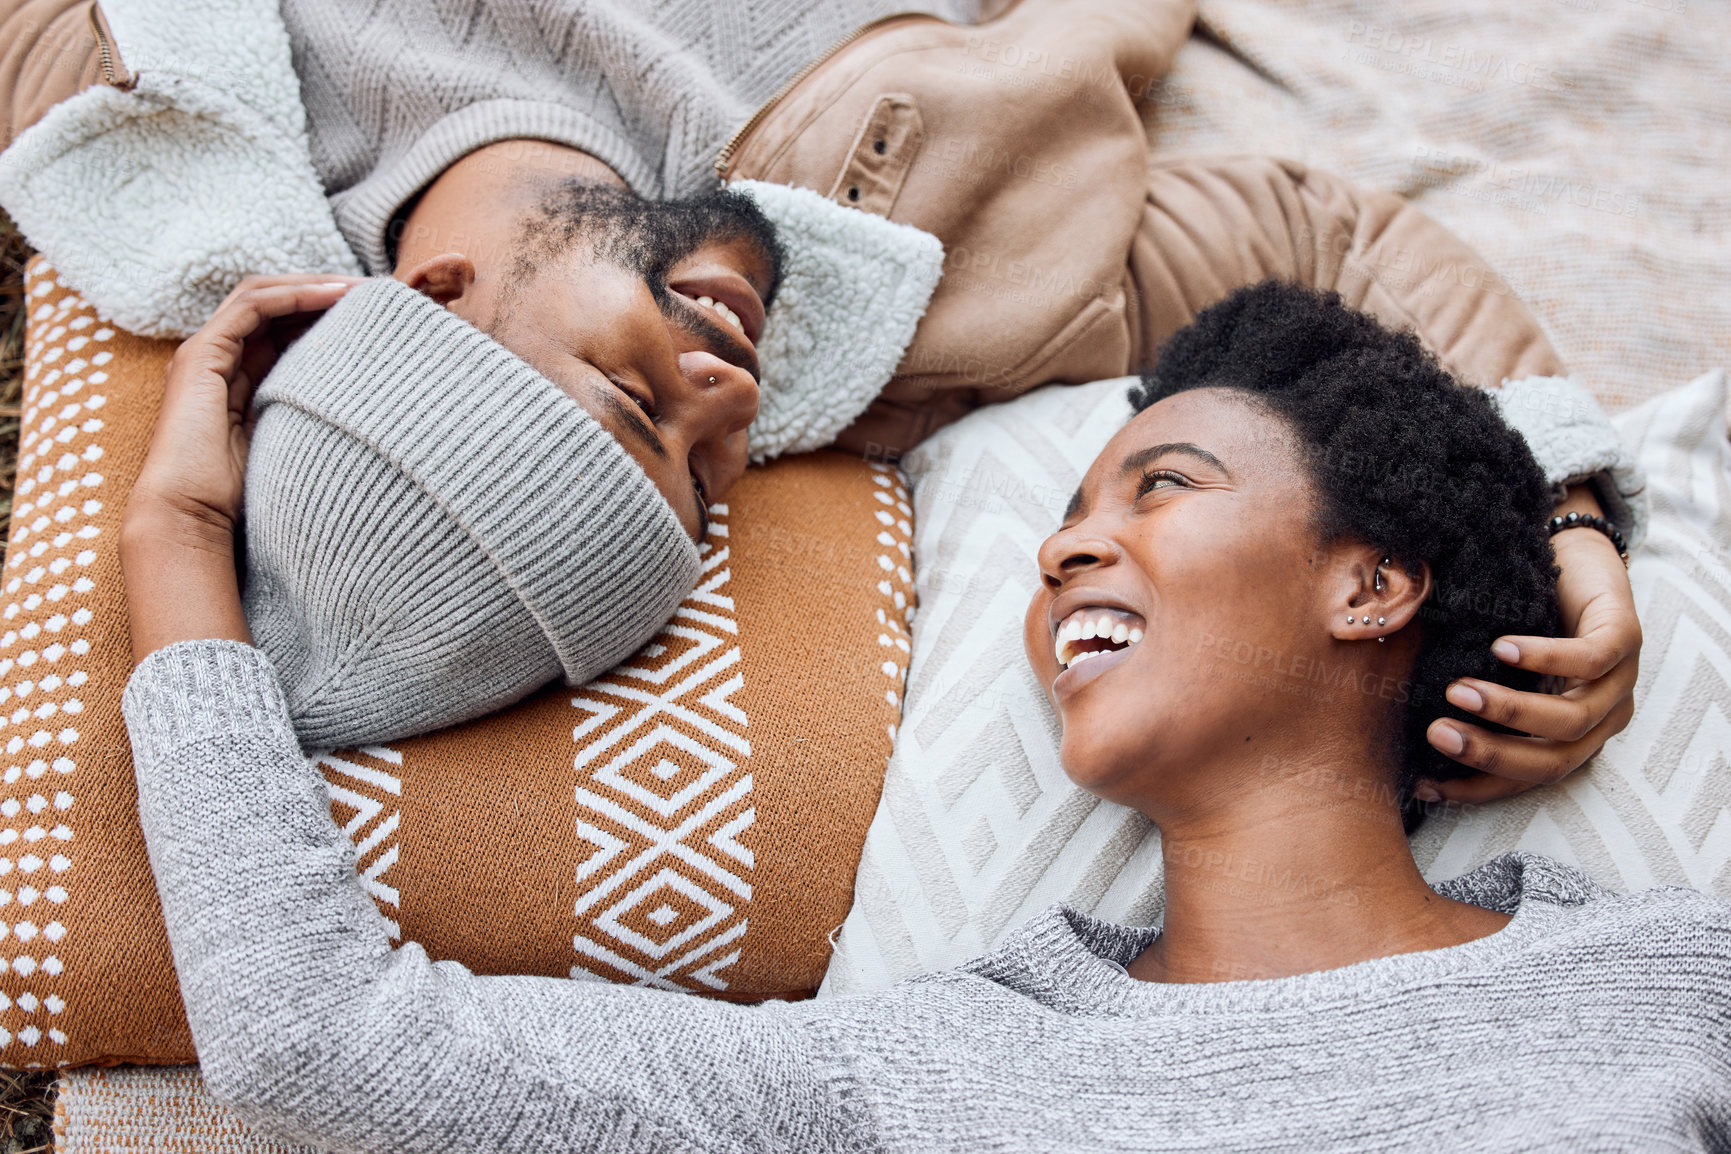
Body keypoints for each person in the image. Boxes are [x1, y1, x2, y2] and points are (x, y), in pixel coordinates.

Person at [120, 281, 1729, 1153]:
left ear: (1374, 586)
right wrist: (179, 543)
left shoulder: (1673, 979)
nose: (1063, 545)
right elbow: (317, 1038)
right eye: (1068, 516)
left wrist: (1575, 509)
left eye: (1164, 487)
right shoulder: (937, 1065)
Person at [11, 0, 1643, 795]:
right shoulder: (937, 297)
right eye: (702, 470)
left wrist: (194, 513)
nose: (729, 399)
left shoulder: (141, 88)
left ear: (422, 299)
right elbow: (1334, 237)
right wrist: (1567, 512)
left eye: (630, 398)